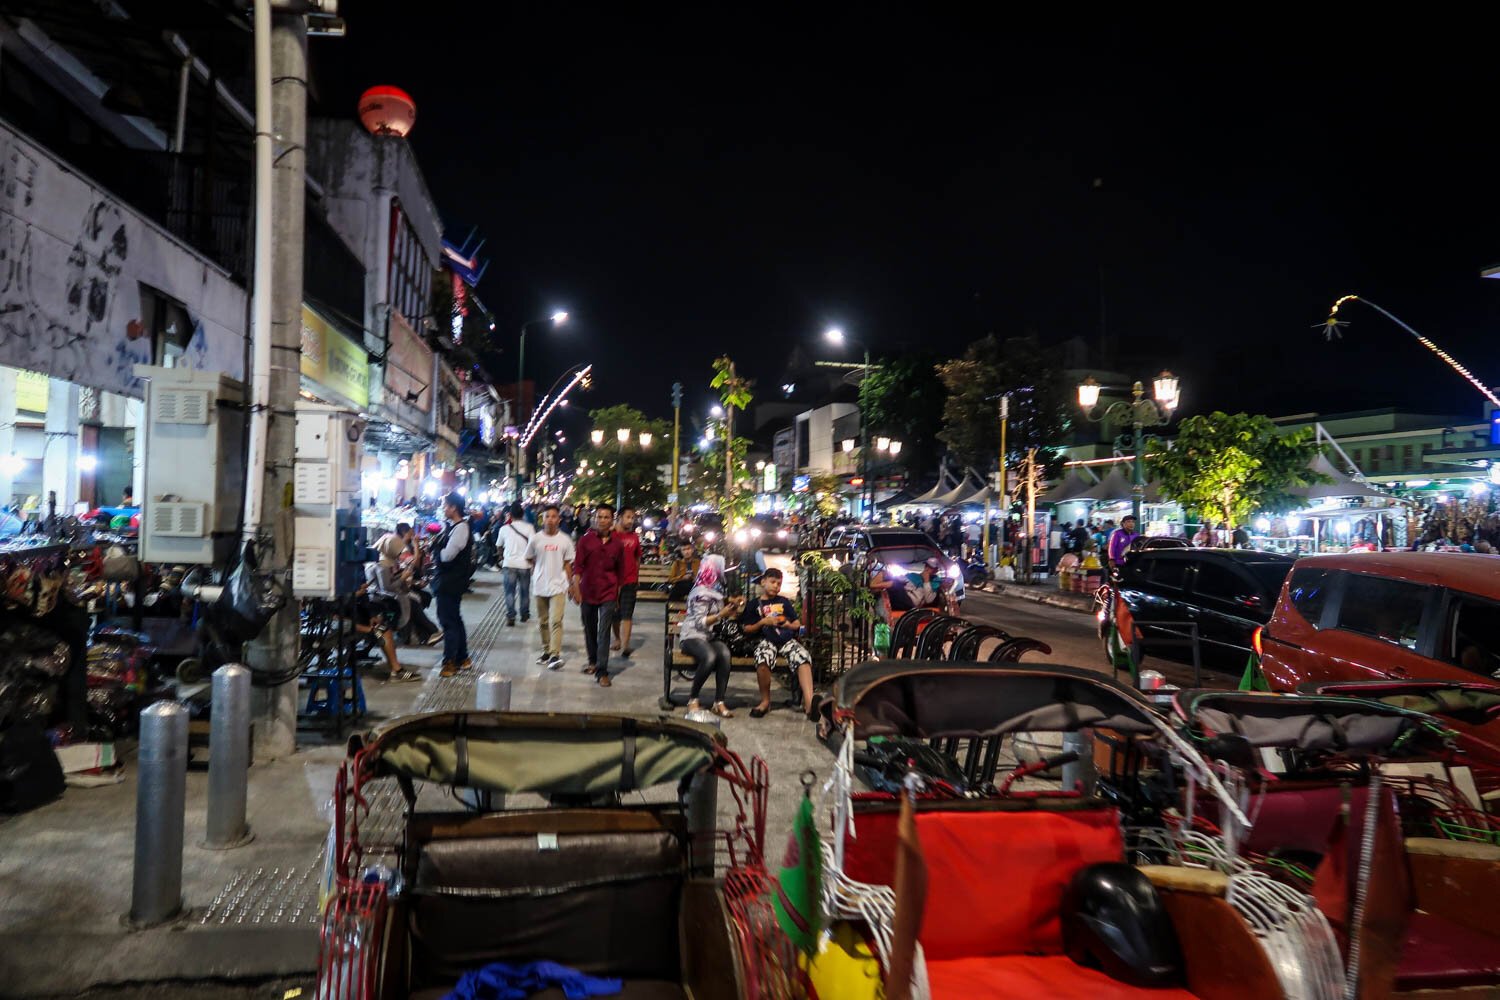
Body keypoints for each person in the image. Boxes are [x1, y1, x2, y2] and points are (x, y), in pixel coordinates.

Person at [741, 568, 815, 720]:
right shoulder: (754, 604)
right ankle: (765, 701)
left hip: (785, 639)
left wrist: (786, 624)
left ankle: (809, 704)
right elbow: (747, 629)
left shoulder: (784, 602)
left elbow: (796, 624)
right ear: (763, 582)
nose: (776, 586)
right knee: (763, 658)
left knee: (803, 657)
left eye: (779, 583)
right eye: (772, 582)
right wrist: (762, 622)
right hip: (765, 640)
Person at [679, 554, 740, 718]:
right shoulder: (701, 592)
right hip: (691, 636)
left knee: (725, 654)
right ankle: (693, 699)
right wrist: (721, 614)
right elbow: (700, 622)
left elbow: (718, 615)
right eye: (721, 567)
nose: (723, 570)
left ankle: (719, 702)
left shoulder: (715, 589)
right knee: (710, 656)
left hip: (708, 637)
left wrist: (732, 607)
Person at [571, 503, 625, 687]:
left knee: (604, 632)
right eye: (599, 517)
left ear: (612, 520)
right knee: (590, 629)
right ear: (594, 519)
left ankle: (602, 671)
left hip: (608, 593)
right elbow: (577, 567)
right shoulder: (585, 541)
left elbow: (620, 572)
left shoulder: (618, 544)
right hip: (588, 591)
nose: (602, 520)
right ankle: (593, 661)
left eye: (606, 517)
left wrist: (617, 596)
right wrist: (576, 589)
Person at [525, 503, 575, 669]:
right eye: (547, 516)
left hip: (558, 586)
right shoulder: (536, 539)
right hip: (540, 586)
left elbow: (568, 565)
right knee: (543, 621)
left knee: (556, 620)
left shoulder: (565, 540)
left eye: (554, 516)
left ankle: (555, 654)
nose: (550, 519)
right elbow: (529, 557)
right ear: (542, 519)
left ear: (559, 519)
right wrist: (536, 570)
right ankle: (546, 651)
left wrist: (571, 585)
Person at [433, 492, 474, 677]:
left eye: (445, 505)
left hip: (450, 582)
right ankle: (462, 657)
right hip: (452, 581)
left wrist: (437, 551)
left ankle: (450, 662)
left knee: (448, 622)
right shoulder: (454, 527)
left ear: (453, 507)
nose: (443, 508)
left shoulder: (460, 528)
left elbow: (447, 556)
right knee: (455, 619)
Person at [611, 506, 642, 657]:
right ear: (620, 517)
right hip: (613, 582)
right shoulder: (611, 535)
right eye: (628, 517)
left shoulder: (634, 537)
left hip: (630, 580)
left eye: (633, 518)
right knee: (614, 614)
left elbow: (637, 557)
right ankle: (617, 638)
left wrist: (636, 575)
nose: (631, 520)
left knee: (627, 614)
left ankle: (625, 645)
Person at [499, 503, 536, 627]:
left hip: (509, 564)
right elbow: (533, 546)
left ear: (510, 515)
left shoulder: (504, 529)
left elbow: (499, 545)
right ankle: (524, 614)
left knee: (509, 591)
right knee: (524, 591)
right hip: (525, 564)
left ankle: (511, 615)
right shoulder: (530, 528)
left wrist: (502, 557)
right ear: (523, 514)